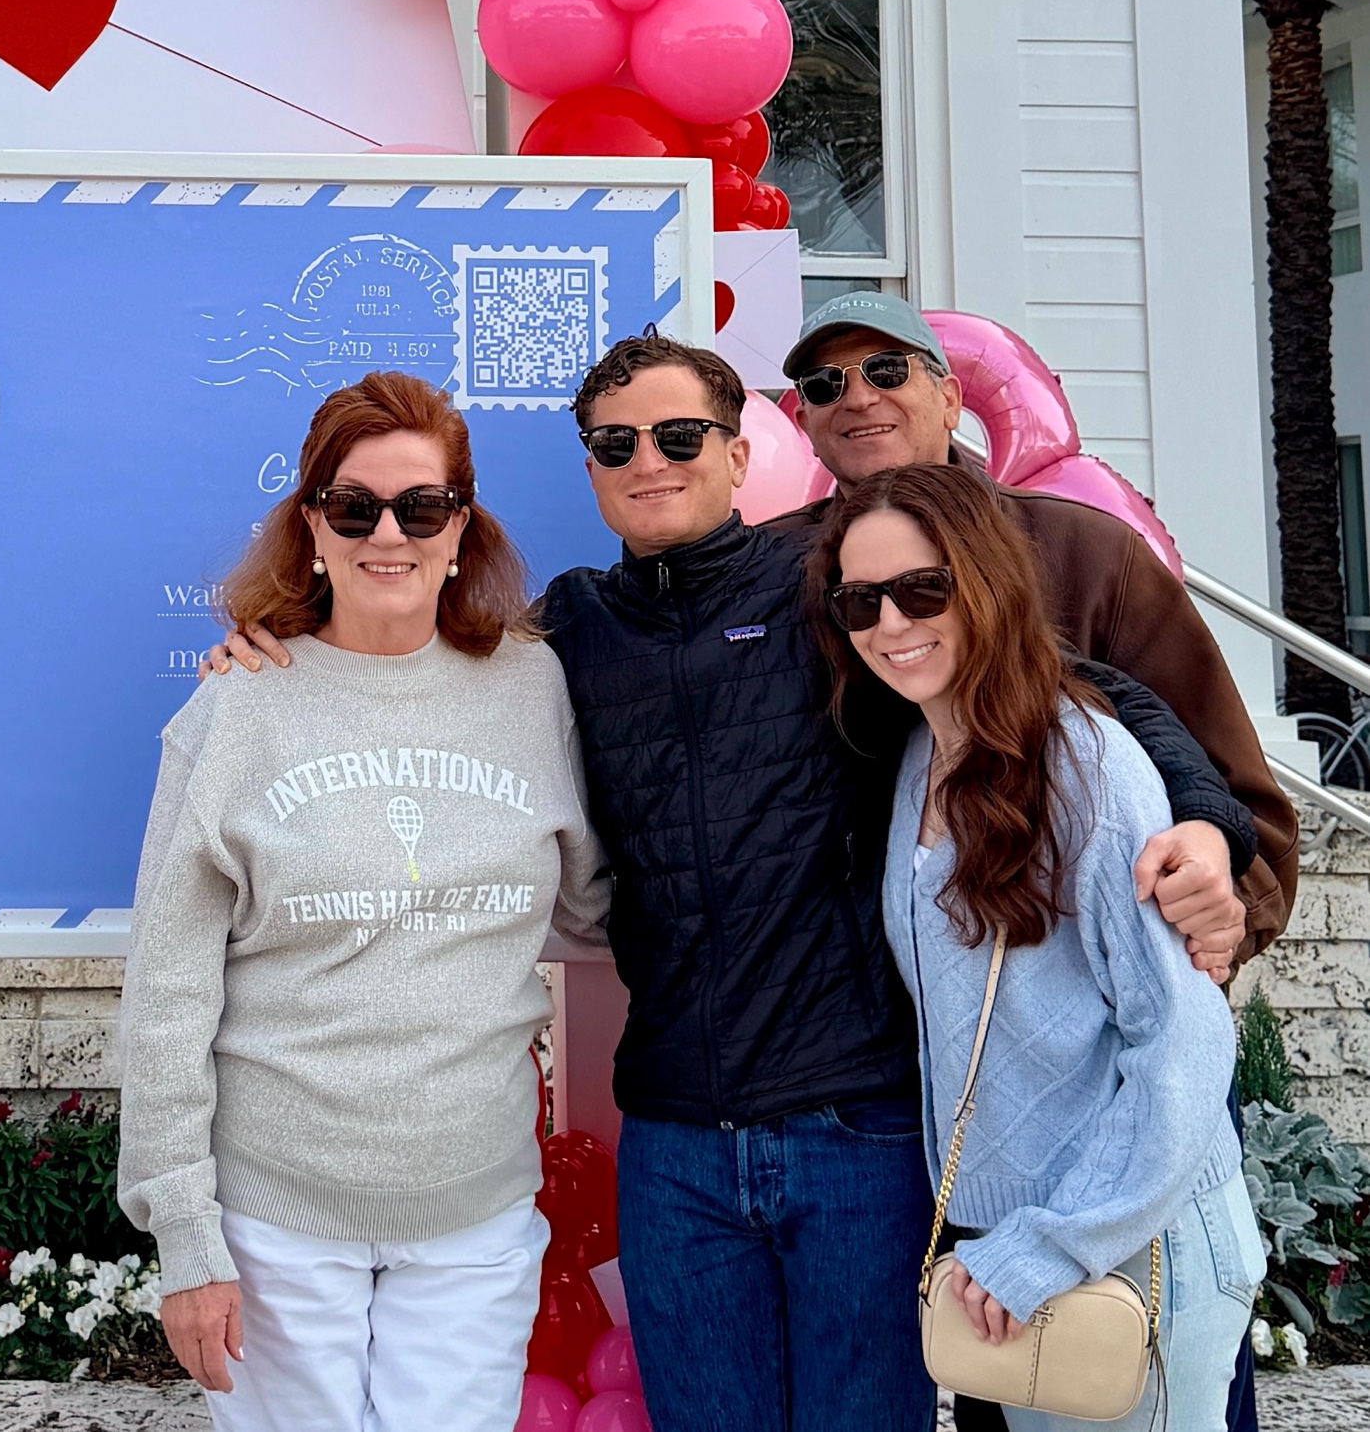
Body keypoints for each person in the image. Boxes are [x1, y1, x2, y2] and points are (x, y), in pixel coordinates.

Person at [205, 334, 1255, 1432]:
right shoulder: (561, 633)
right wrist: (275, 640)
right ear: (589, 467)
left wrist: (1203, 820)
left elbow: (1054, 682)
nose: (647, 459)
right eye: (615, 443)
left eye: (677, 435)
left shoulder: (832, 590)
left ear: (737, 450)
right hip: (673, 1143)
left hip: (855, 1131)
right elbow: (406, 655)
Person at [784, 290, 1293, 1432]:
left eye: (923, 590)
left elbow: (1178, 1031)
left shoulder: (1081, 749)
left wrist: (1212, 854)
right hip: (1004, 1251)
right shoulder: (916, 746)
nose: (889, 619)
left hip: (1119, 1242)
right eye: (858, 599)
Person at [118, 369, 607, 1430]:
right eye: (354, 505)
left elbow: (599, 904)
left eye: (420, 506)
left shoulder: (532, 688)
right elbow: (164, 993)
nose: (389, 531)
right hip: (274, 1217)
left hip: (472, 1210)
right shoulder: (234, 709)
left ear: (459, 527)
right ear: (311, 527)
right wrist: (184, 1236)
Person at [783, 289, 1295, 961]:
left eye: (887, 369)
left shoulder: (1089, 553)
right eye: (826, 384)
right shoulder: (772, 576)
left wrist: (1218, 895)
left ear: (950, 399)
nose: (857, 398)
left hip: (1056, 1000)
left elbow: (1239, 802)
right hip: (841, 1021)